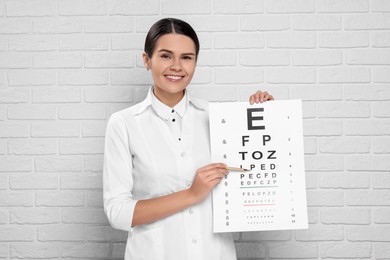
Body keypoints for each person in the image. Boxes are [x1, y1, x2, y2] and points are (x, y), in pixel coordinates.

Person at [103, 17, 274, 260]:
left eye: (186, 57)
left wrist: (270, 122)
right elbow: (117, 212)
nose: (176, 66)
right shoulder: (123, 124)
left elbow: (252, 175)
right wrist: (191, 195)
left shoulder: (219, 118)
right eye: (165, 56)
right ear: (146, 60)